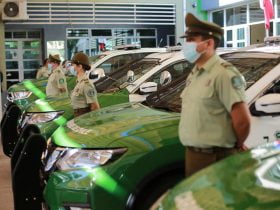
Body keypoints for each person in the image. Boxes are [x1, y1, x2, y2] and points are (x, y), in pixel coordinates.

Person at [179, 13, 251, 177]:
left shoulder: (224, 74)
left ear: (209, 43)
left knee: (214, 201)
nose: (186, 44)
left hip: (215, 157)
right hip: (194, 155)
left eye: (191, 39)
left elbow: (242, 121)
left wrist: (236, 145)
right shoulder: (195, 73)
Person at [70, 52, 100, 117]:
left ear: (80, 66)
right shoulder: (79, 82)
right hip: (78, 116)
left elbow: (94, 106)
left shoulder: (86, 84)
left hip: (84, 117)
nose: (72, 67)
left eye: (73, 65)